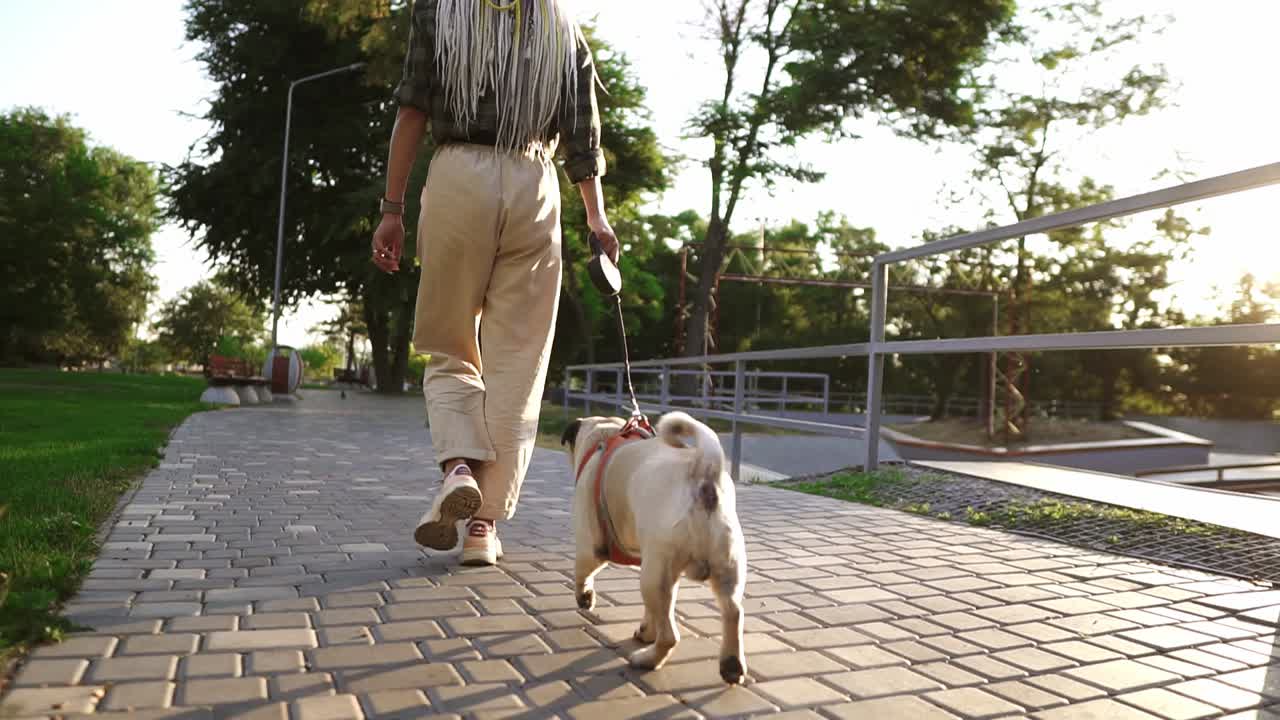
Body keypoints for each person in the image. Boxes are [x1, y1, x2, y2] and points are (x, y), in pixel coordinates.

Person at [372, 0, 618, 567]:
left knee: (450, 343)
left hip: (460, 175)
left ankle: (458, 467)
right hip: (535, 185)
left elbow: (412, 111)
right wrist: (597, 219)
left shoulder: (439, 12)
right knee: (519, 363)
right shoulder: (563, 29)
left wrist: (392, 210)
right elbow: (583, 137)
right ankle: (482, 530)